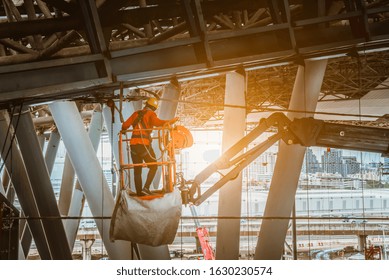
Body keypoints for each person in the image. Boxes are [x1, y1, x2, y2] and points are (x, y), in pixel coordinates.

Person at [121, 97, 179, 196]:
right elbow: (158, 123)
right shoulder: (151, 114)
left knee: (137, 170)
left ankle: (139, 192)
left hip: (133, 146)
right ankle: (146, 188)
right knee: (154, 166)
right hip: (144, 146)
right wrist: (171, 121)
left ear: (146, 104)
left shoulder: (136, 113)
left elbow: (125, 126)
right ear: (154, 108)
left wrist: (125, 129)